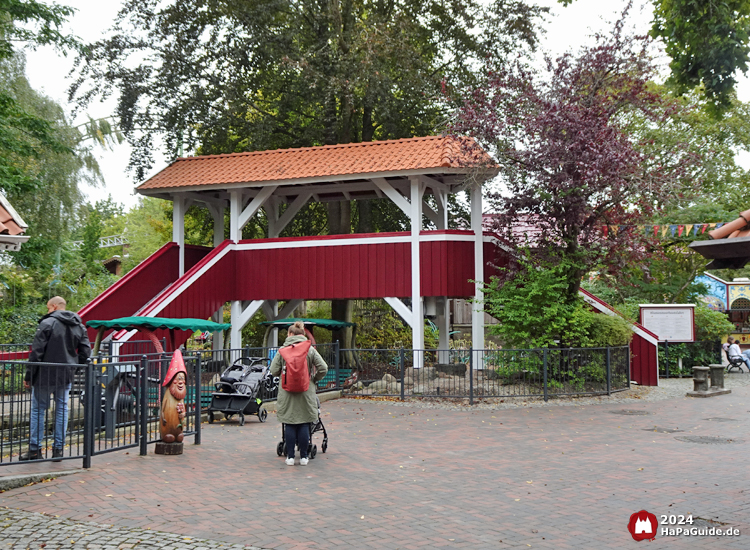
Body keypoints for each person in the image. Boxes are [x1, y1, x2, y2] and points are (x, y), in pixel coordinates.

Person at [21, 296, 91, 461]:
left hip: (45, 374)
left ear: (53, 306)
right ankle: (58, 450)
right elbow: (86, 352)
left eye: (48, 308)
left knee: (39, 410)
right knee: (61, 409)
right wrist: (74, 366)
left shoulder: (47, 324)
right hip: (65, 374)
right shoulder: (79, 325)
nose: (47, 311)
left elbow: (37, 352)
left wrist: (29, 375)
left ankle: (34, 449)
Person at [269, 321, 327, 466]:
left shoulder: (282, 350)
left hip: (287, 392)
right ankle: (304, 457)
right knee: (304, 423)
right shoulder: (310, 349)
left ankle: (289, 456)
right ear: (302, 334)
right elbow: (323, 368)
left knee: (289, 423)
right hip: (306, 391)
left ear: (290, 334)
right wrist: (313, 379)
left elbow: (273, 370)